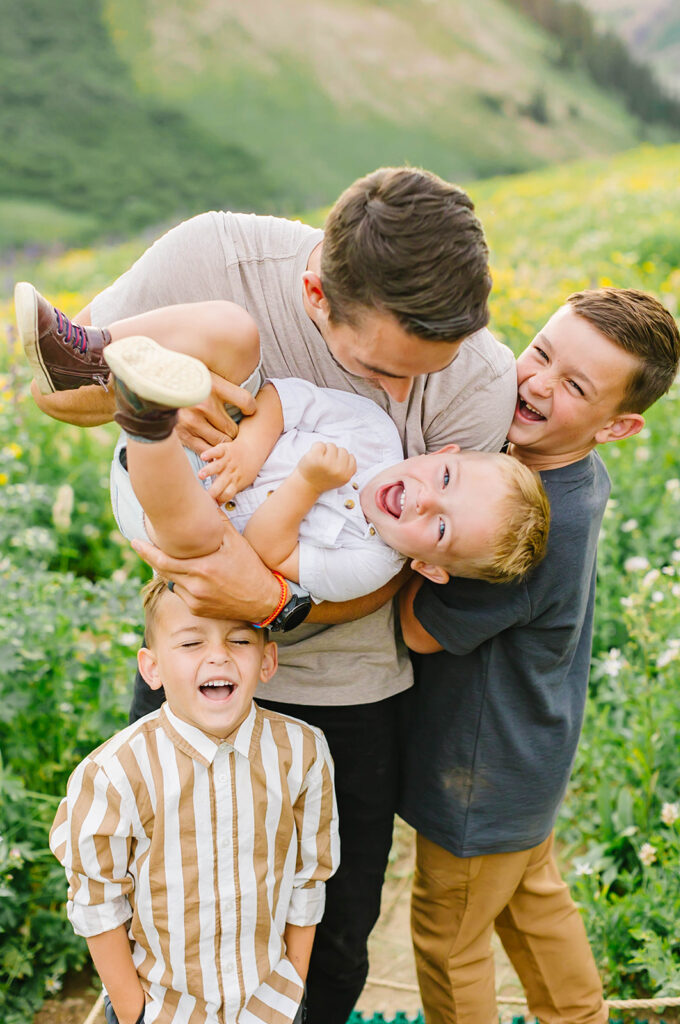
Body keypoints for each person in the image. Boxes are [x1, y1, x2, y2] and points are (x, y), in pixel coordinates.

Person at [27, 166, 517, 1023]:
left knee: (326, 946)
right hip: (193, 664)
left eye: (420, 374)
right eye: (373, 367)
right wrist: (155, 406)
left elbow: (404, 569)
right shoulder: (217, 259)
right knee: (159, 929)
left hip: (345, 692)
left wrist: (271, 601)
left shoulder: (477, 379)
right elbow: (53, 387)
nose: (398, 399)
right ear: (315, 294)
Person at [398, 287, 680, 1024]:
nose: (537, 383)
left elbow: (421, 631)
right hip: (527, 754)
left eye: (575, 385)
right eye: (541, 353)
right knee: (531, 906)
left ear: (617, 426)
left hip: (477, 772)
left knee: (448, 940)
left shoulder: (532, 527)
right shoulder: (562, 479)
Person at [16, 287, 549, 600]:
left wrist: (308, 482)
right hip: (220, 441)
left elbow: (269, 552)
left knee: (210, 540)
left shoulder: (368, 567)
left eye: (440, 526)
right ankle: (87, 357)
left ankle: (144, 419)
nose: (426, 499)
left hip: (169, 508)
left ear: (430, 568)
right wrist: (248, 451)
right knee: (234, 329)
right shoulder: (376, 435)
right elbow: (279, 399)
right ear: (442, 454)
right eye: (446, 481)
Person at [50, 576, 340, 1024]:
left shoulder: (303, 752)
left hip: (270, 1006)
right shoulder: (114, 773)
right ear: (152, 668)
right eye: (190, 643)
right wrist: (132, 1012)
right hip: (163, 1009)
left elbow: (308, 877)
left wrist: (292, 986)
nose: (219, 654)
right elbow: (97, 902)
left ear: (267, 659)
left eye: (240, 639)